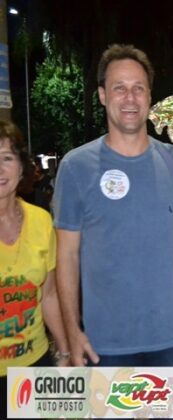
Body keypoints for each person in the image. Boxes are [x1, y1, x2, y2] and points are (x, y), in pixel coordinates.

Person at [53, 44, 173, 367]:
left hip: (170, 335)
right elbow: (66, 255)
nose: (130, 98)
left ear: (149, 96)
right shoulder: (76, 167)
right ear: (102, 95)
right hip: (104, 342)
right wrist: (71, 331)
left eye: (138, 88)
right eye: (119, 88)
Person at [0, 120, 70, 418]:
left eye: (6, 158)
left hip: (36, 366)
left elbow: (49, 295)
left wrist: (65, 352)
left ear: (21, 167)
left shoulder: (41, 221)